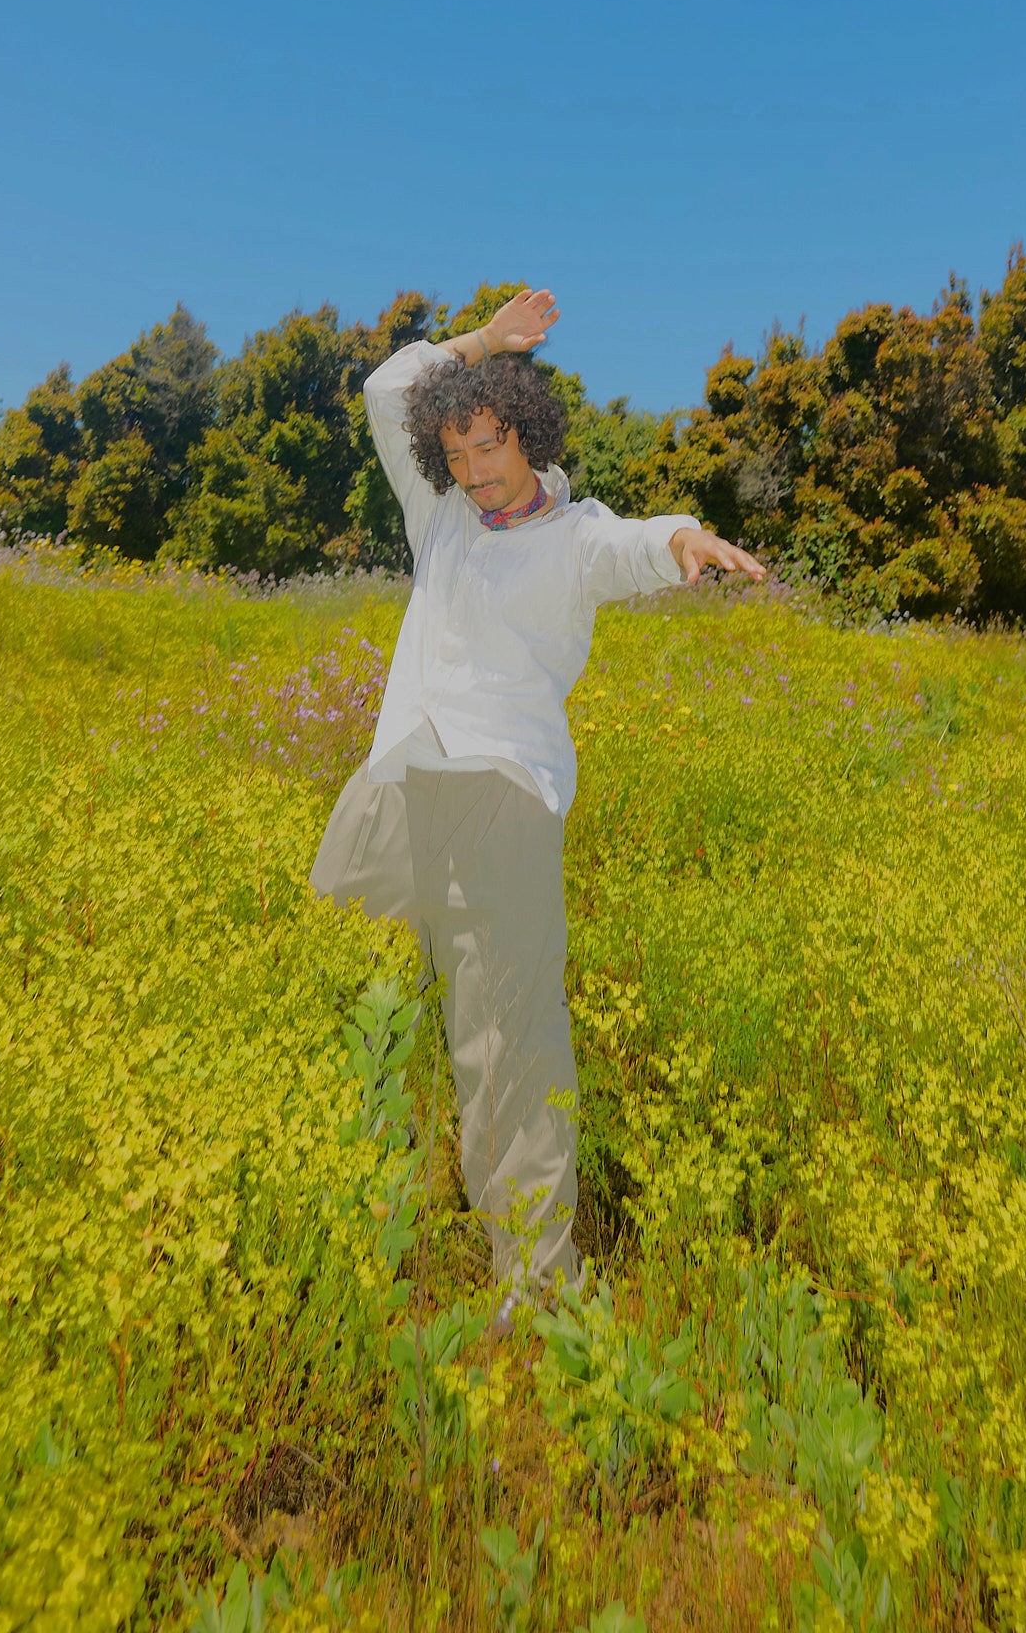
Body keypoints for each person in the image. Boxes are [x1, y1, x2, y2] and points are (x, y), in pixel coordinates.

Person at [310, 287, 765, 1309]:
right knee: (343, 988)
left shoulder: (574, 536)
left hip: (500, 796)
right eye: (457, 451)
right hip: (393, 781)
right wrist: (475, 342)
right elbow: (390, 390)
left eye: (490, 446)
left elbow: (640, 543)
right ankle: (357, 1214)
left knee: (506, 1040)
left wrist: (687, 536)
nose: (473, 470)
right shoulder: (443, 518)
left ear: (531, 433)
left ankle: (539, 1289)